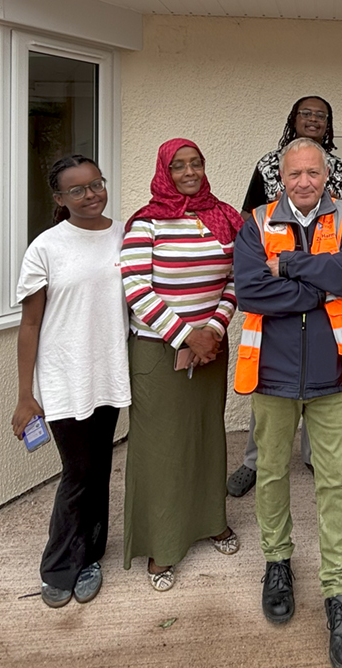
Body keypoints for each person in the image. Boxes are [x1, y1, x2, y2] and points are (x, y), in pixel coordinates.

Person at [233, 137, 342, 668]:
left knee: (336, 480)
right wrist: (318, 283)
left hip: (334, 374)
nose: (305, 182)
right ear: (281, 178)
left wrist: (288, 266)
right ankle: (277, 563)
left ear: (327, 176)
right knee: (270, 473)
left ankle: (339, 592)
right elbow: (249, 292)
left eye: (314, 173)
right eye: (295, 174)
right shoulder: (257, 222)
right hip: (270, 374)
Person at [120, 139, 244, 591]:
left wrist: (213, 330)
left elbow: (235, 278)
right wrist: (185, 334)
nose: (189, 172)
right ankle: (163, 544)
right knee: (161, 447)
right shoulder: (145, 223)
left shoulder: (222, 216)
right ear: (164, 171)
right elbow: (135, 288)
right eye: (179, 166)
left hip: (211, 349)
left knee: (206, 437)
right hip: (158, 350)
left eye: (196, 163)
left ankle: (212, 520)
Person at [12, 155, 131, 608]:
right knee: (78, 473)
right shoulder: (46, 247)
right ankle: (60, 565)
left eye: (96, 183)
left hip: (108, 371)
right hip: (64, 376)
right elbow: (29, 325)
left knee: (98, 466)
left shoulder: (124, 235)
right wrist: (25, 396)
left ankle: (92, 553)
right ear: (60, 198)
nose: (91, 194)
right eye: (77, 189)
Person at [229, 94, 342, 498]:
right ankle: (253, 462)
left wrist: (293, 265)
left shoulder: (341, 170)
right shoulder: (268, 164)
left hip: (321, 327)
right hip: (275, 329)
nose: (314, 119)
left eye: (321, 114)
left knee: (324, 410)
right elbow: (253, 218)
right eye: (306, 113)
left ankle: (316, 457)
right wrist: (320, 292)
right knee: (270, 415)